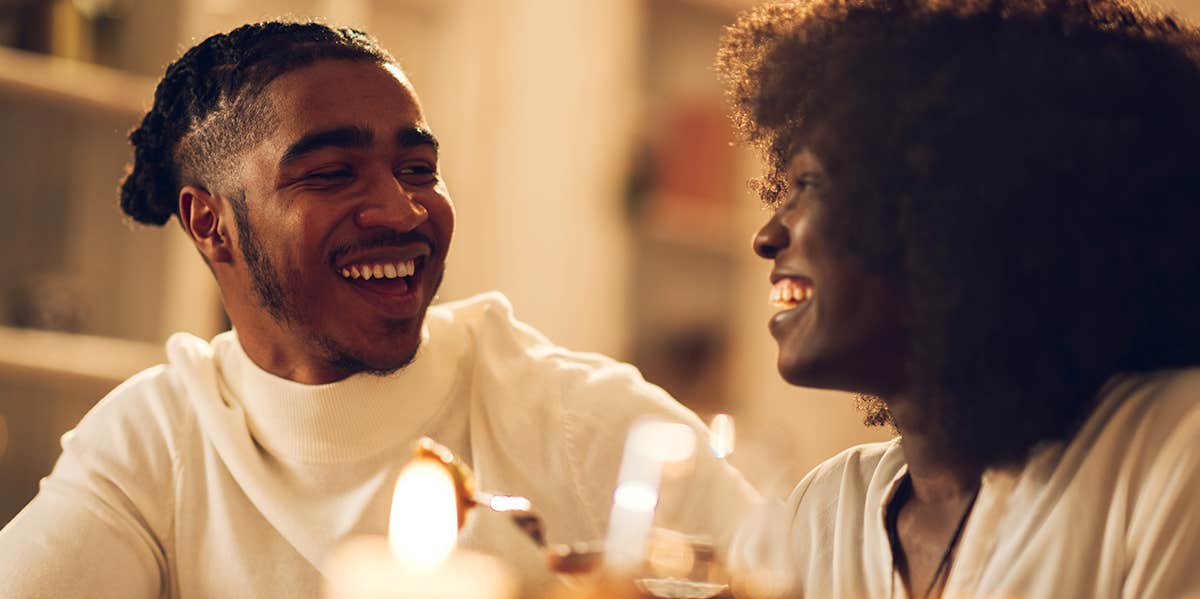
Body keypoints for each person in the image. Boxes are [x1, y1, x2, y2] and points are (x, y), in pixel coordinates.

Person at [0, 21, 755, 597]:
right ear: (210, 224)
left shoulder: (586, 424)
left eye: (418, 168)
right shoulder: (156, 439)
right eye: (332, 173)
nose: (402, 210)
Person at [716, 0, 1200, 597]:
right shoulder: (819, 514)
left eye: (809, 185)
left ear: (956, 210)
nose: (767, 236)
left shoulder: (1174, 451)